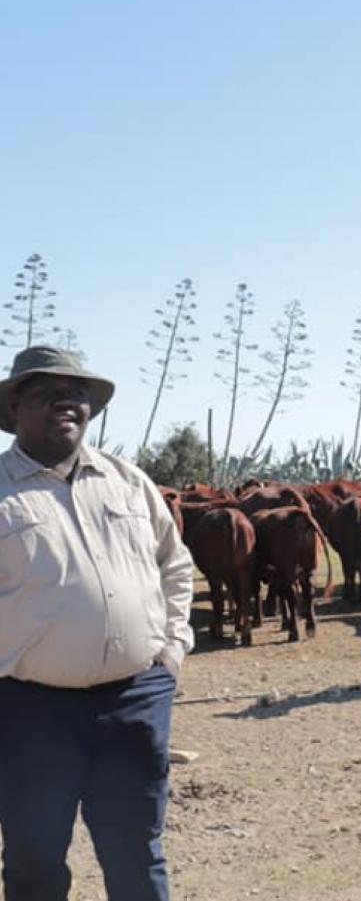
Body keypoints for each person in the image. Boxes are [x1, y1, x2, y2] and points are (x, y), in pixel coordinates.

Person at [0, 346, 194, 901]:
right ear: (15, 409)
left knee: (136, 850)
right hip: (29, 711)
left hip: (135, 699)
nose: (67, 401)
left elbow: (174, 565)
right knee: (34, 859)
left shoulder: (128, 480)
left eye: (77, 393)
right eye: (46, 392)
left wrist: (170, 653)